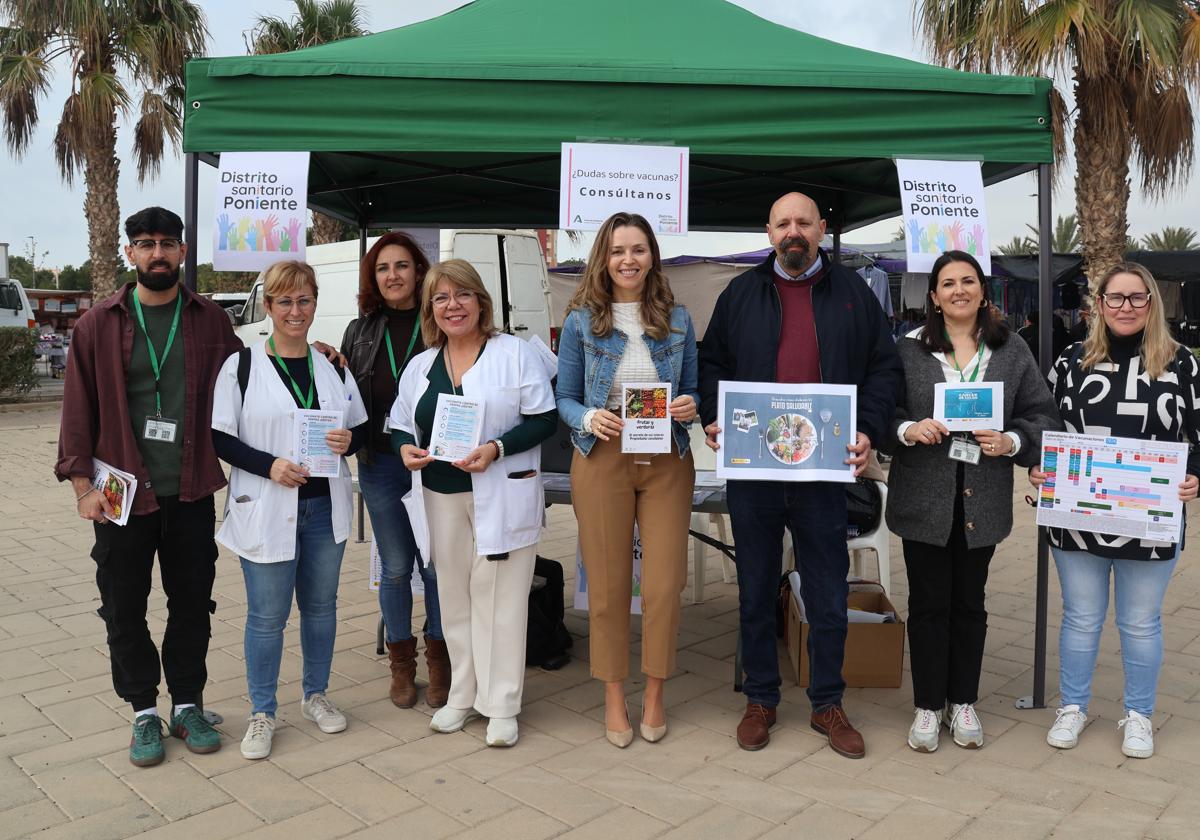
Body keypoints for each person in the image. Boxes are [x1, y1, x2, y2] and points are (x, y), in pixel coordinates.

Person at [699, 192, 904, 757]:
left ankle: (827, 703)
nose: (794, 231)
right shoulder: (739, 294)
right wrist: (717, 419)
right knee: (755, 586)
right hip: (755, 472)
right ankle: (761, 698)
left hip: (824, 473)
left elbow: (883, 369)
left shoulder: (853, 296)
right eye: (783, 222)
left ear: (821, 229)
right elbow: (712, 364)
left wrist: (866, 429)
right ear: (769, 232)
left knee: (826, 590)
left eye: (804, 223)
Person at [55, 207, 238, 766]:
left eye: (167, 243)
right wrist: (82, 488)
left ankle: (187, 704)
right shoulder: (97, 323)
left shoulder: (210, 320)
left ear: (183, 252)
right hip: (120, 494)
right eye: (144, 243)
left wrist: (318, 355)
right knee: (123, 606)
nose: (157, 252)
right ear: (130, 254)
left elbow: (248, 382)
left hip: (190, 489)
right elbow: (77, 411)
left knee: (190, 603)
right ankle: (142, 711)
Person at [880, 251, 1059, 753]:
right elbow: (882, 411)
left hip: (983, 501)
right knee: (929, 603)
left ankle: (963, 702)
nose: (959, 290)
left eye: (968, 281)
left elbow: (1043, 417)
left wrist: (1012, 442)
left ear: (983, 291)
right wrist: (907, 429)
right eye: (948, 283)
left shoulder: (1011, 349)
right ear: (932, 296)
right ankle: (926, 705)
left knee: (970, 604)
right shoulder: (908, 350)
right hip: (923, 499)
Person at [1031, 263, 1200, 759]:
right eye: (1115, 298)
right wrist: (1040, 469)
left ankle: (1140, 715)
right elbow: (1044, 425)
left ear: (1153, 302)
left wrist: (1197, 475)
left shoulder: (1182, 364)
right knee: (1081, 618)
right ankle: (1074, 707)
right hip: (1079, 517)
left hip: (1150, 519)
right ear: (1098, 304)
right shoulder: (1069, 361)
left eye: (1136, 297)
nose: (1125, 307)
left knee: (1141, 622)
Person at [391, 259, 557, 748]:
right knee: (457, 598)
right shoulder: (422, 364)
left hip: (502, 489)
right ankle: (462, 696)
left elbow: (543, 418)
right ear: (430, 310)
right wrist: (404, 445)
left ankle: (501, 703)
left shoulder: (513, 353)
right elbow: (400, 419)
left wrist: (497, 448)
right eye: (440, 298)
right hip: (441, 496)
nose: (452, 305)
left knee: (502, 597)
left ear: (480, 301)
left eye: (462, 295)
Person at [211, 260, 369, 760]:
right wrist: (270, 466)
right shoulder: (241, 367)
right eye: (284, 301)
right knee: (267, 616)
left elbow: (360, 426)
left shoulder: (332, 366)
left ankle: (316, 694)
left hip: (324, 509)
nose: (295, 311)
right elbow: (219, 435)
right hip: (267, 503)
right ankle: (262, 711)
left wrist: (350, 441)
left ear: (315, 303)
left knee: (321, 609)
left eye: (304, 301)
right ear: (270, 307)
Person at [555, 212, 699, 748]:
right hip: (603, 454)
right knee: (610, 586)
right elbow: (563, 398)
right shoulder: (579, 321)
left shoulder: (678, 318)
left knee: (663, 585)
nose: (629, 260)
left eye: (639, 249)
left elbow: (694, 388)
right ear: (604, 257)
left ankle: (656, 693)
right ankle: (614, 695)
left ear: (652, 256)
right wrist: (589, 417)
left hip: (665, 455)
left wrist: (690, 404)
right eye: (618, 251)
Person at [340, 233, 449, 709]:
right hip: (381, 463)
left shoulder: (441, 324)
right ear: (373, 277)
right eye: (383, 268)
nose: (393, 276)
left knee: (437, 566)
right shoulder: (359, 331)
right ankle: (402, 664)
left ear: (418, 271)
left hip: (436, 462)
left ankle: (441, 659)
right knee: (397, 566)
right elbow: (344, 395)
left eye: (402, 266)